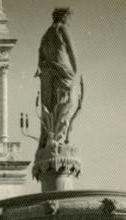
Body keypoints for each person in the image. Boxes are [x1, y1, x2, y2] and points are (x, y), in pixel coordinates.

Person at [36, 7, 78, 148]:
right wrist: (75, 68)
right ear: (63, 16)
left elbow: (40, 52)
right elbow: (71, 50)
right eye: (68, 17)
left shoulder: (47, 33)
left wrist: (39, 66)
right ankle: (58, 139)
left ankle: (47, 139)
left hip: (47, 71)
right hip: (62, 70)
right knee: (64, 103)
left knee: (48, 105)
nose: (70, 20)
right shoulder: (63, 29)